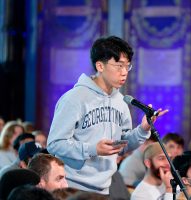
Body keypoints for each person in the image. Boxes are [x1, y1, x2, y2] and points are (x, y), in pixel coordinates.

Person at [47, 36, 167, 195]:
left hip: (104, 188)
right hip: (72, 187)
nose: (124, 72)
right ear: (100, 66)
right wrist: (92, 149)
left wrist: (143, 129)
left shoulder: (121, 102)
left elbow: (121, 148)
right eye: (118, 65)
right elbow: (55, 144)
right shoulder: (73, 99)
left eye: (127, 66)